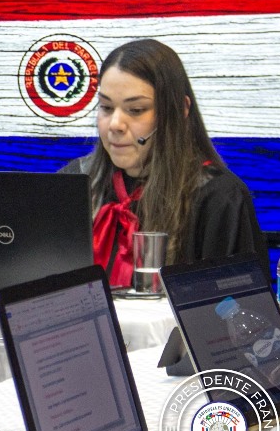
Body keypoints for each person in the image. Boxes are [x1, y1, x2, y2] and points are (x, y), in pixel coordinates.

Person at [60, 38, 263, 287]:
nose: (115, 125)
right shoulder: (74, 183)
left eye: (136, 110)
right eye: (106, 107)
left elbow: (240, 312)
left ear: (180, 109)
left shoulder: (219, 198)